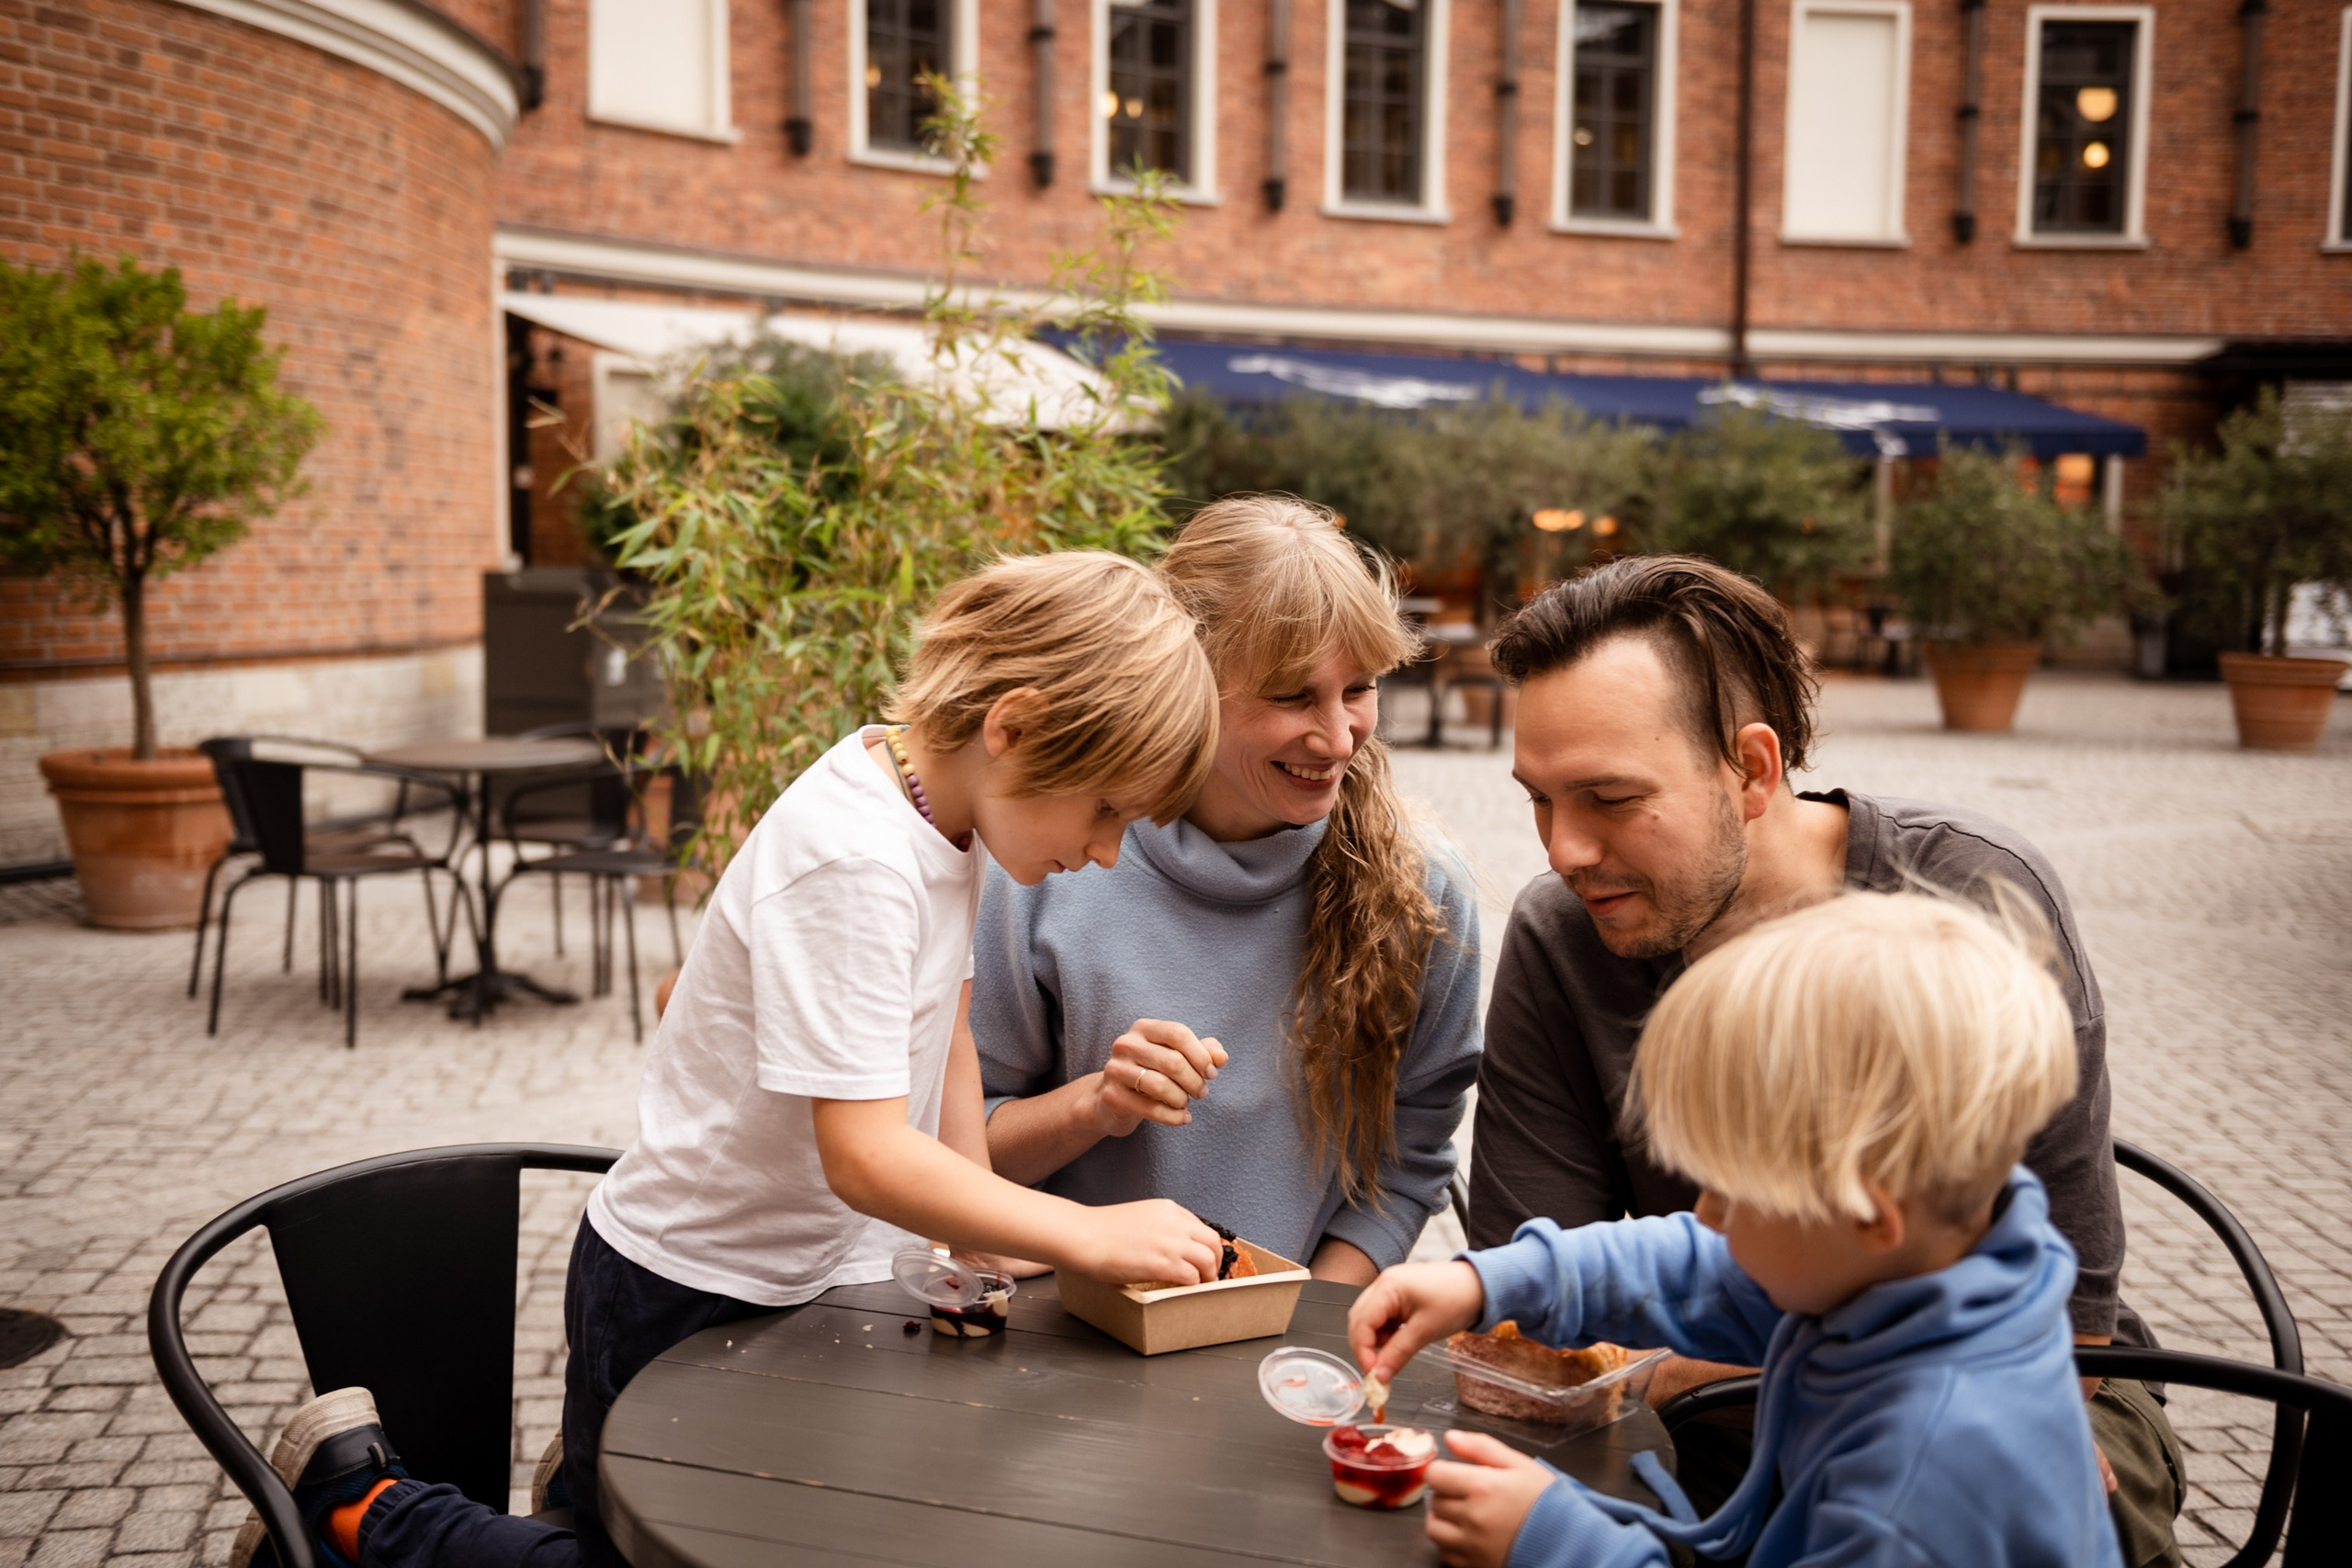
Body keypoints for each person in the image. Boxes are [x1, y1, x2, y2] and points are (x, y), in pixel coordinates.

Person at [227, 551, 1231, 1568]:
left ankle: (586, 1481)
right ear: (1009, 726)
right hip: (689, 1292)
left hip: (799, 1285)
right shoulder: (854, 858)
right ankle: (359, 1511)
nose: (1106, 853)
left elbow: (949, 1028)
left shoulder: (948, 811)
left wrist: (974, 1221)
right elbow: (868, 1157)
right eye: (1105, 810)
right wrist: (1079, 1237)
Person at [1466, 556, 2183, 1566]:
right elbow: (1537, 1343)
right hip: (1734, 1396)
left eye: (1608, 798)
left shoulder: (1964, 902)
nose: (1562, 850)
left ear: (1753, 770)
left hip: (2015, 1401)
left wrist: (1668, 1369)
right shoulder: (1567, 929)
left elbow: (2071, 1337)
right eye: (1539, 798)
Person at [1351, 891, 2122, 1568]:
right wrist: (1491, 1281)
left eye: (1731, 1189)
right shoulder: (1930, 1262)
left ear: (1866, 1212)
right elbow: (1707, 1270)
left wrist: (1561, 1543)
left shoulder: (1918, 1491)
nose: (1705, 1213)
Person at [974, 497, 1481, 1281]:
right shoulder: (1046, 863)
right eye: (1292, 696)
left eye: (1359, 688)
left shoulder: (1425, 889)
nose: (1339, 737)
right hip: (1061, 1332)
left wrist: (1300, 1319)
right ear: (1191, 679)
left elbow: (1411, 1156)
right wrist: (1097, 1104)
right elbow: (959, 1151)